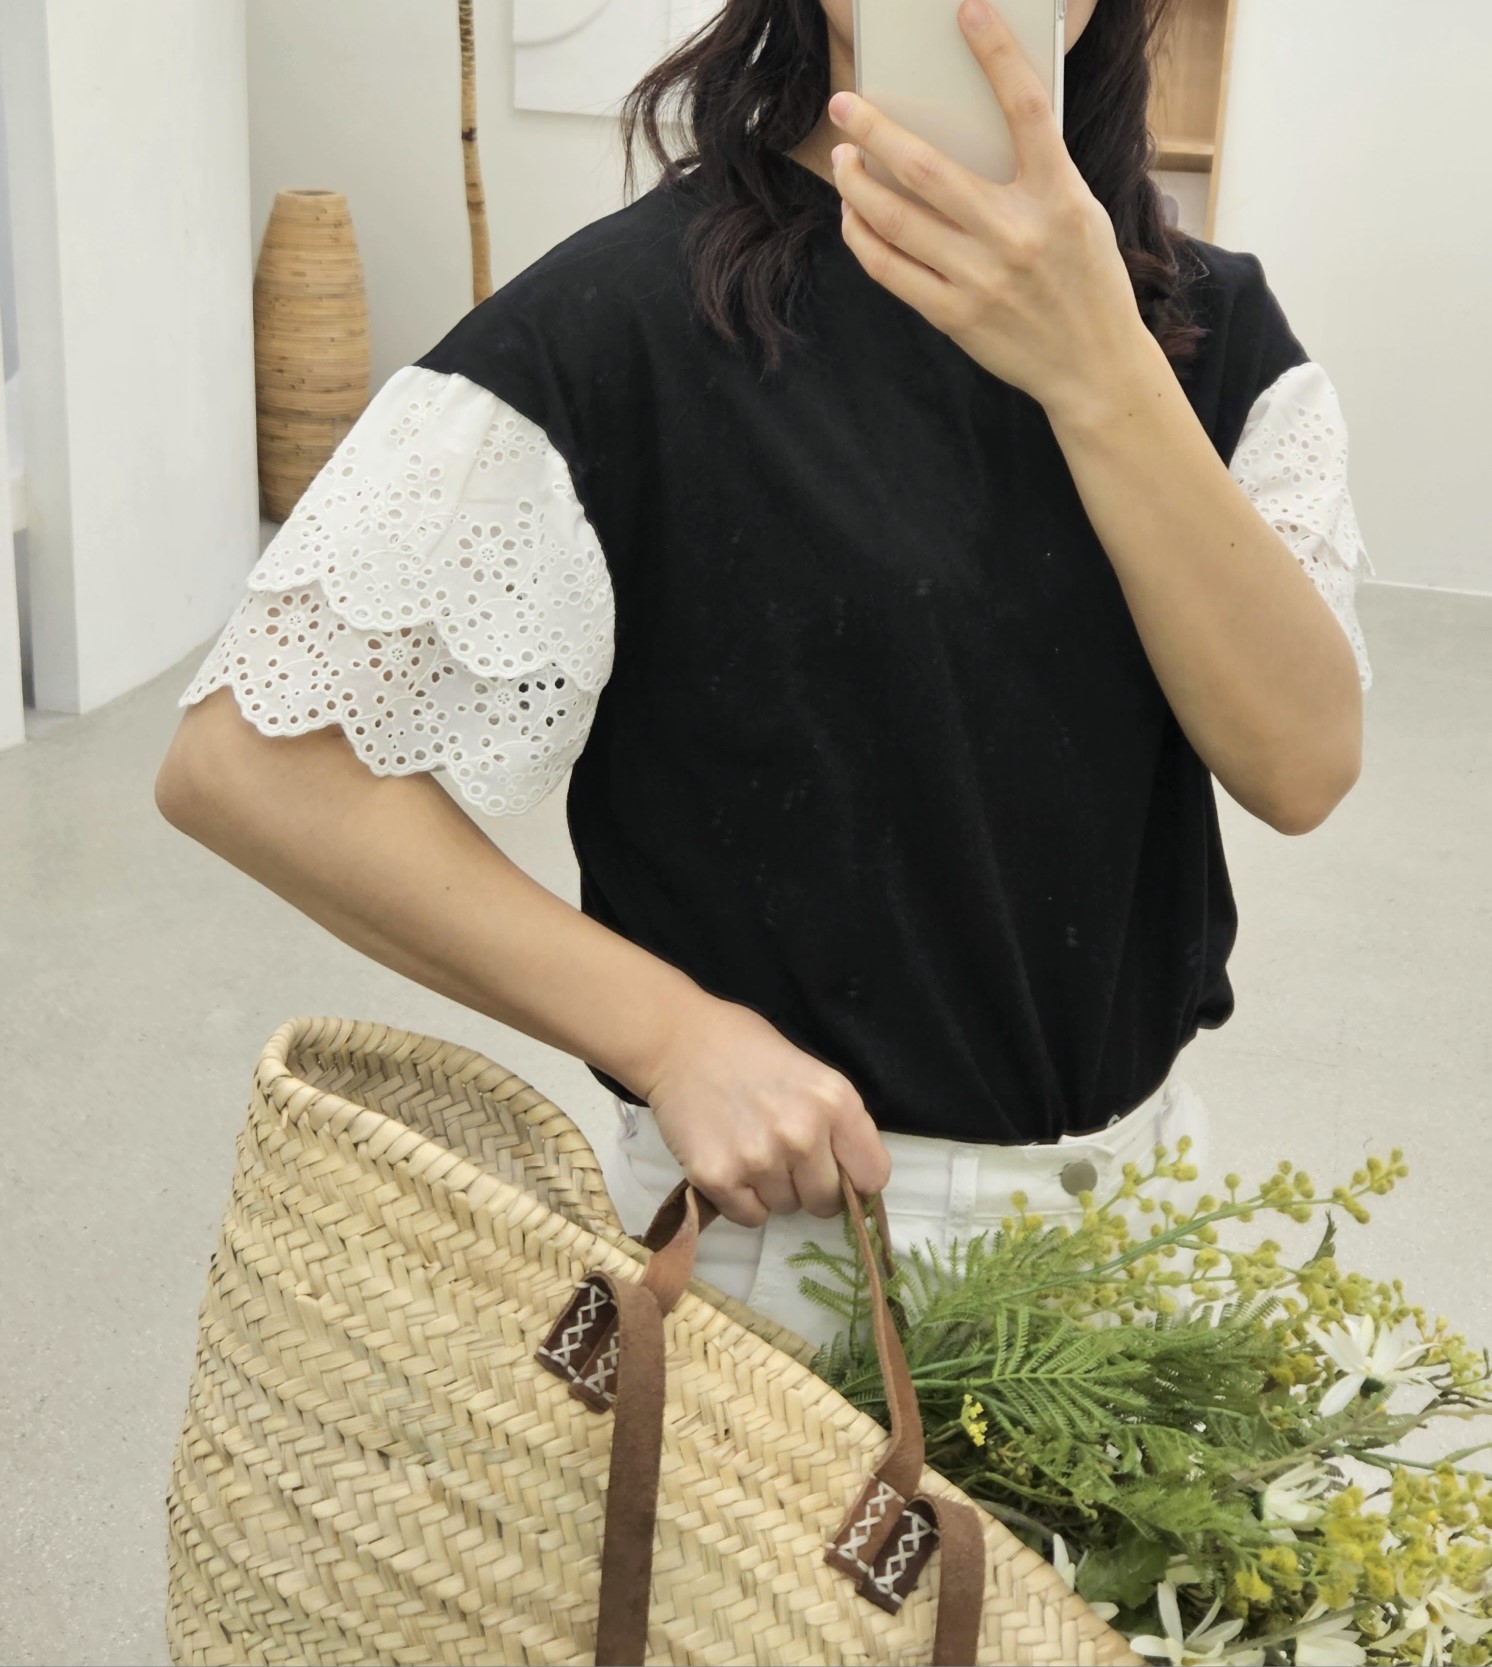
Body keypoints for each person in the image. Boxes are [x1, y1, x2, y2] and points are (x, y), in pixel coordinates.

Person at [155, 0, 1374, 1353]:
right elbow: (254, 765)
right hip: (783, 1253)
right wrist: (670, 1035)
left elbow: (1301, 763)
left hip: (1143, 1234)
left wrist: (1098, 368)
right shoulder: (628, 321)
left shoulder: (1215, 335)